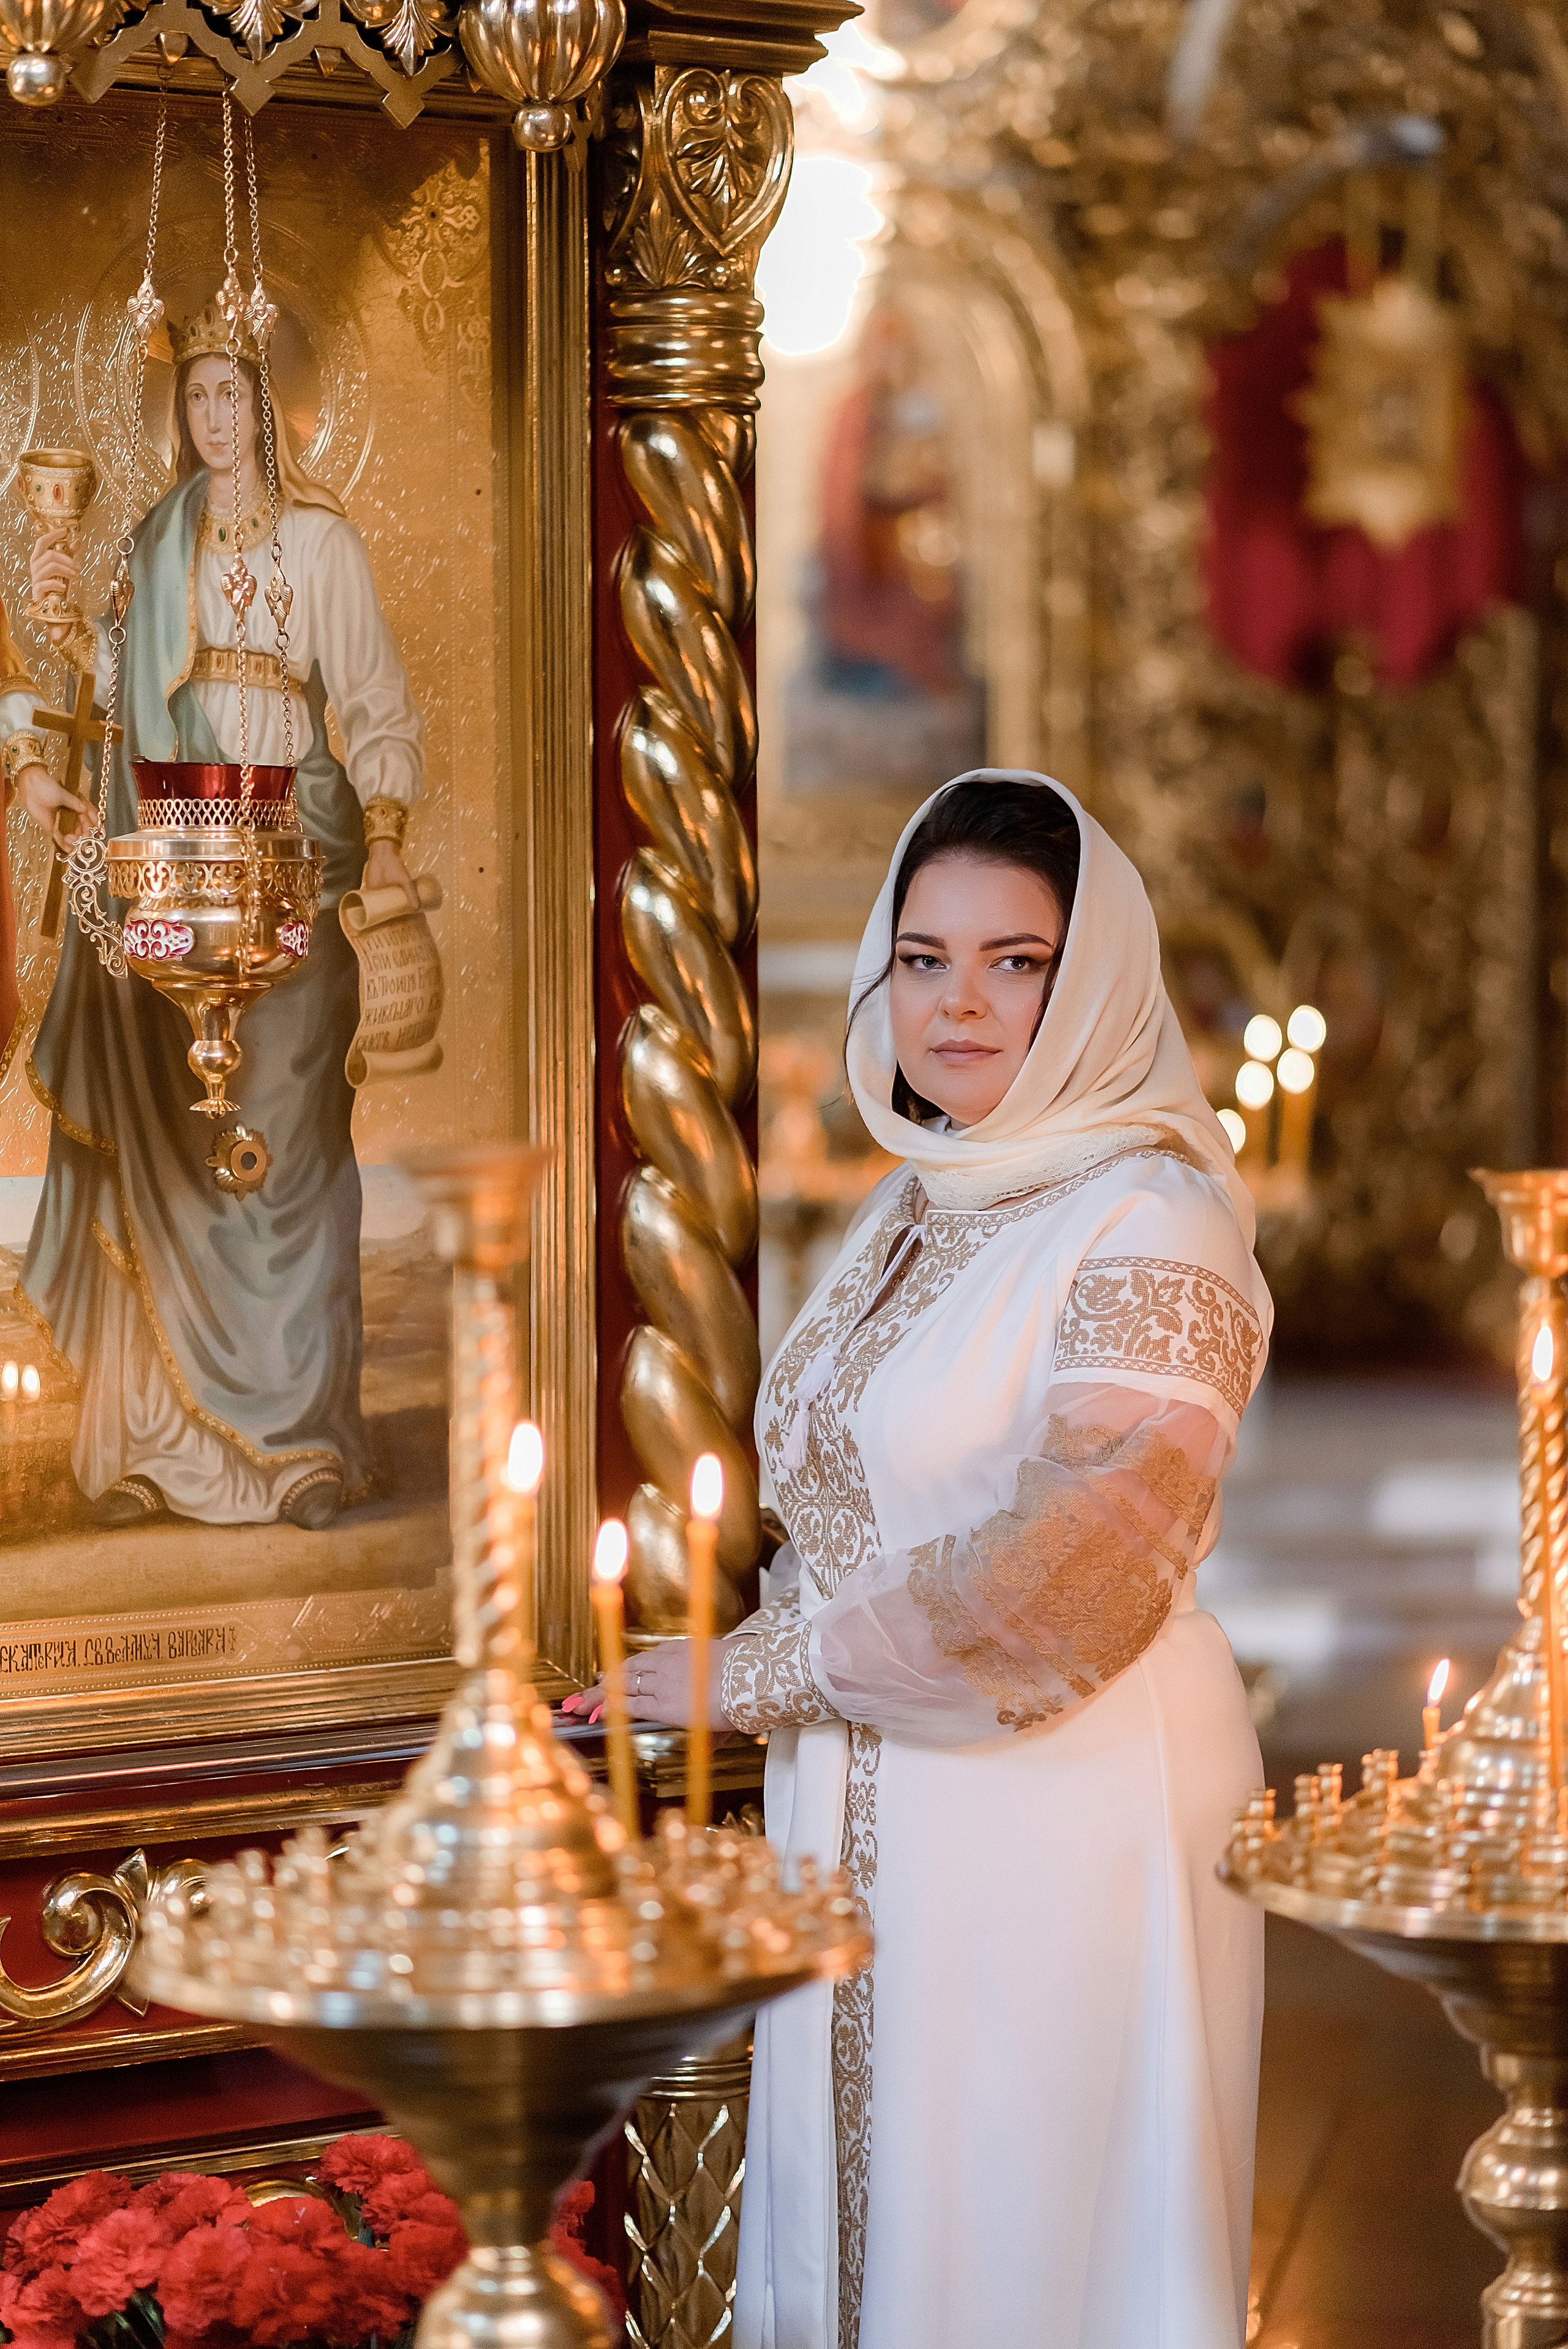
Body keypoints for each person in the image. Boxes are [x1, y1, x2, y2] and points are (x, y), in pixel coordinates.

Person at [566, 770, 1272, 2349]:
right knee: (878, 2222)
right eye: (923, 954)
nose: (957, 1002)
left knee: (1018, 2233)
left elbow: (1079, 1567)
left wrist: (747, 1674)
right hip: (874, 1790)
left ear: (1087, 977)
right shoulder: (914, 1202)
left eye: (1013, 961)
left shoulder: (1149, 1220)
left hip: (1061, 1797)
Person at [0, 298, 423, 1532]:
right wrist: (64, 636)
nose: (212, 417)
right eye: (193, 398)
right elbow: (93, 692)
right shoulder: (152, 543)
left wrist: (386, 841)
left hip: (302, 863)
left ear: (266, 407)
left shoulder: (319, 547)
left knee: (283, 1150)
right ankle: (157, 1447)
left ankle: (298, 1448)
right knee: (168, 1145)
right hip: (173, 865)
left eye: (230, 393)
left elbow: (377, 707)